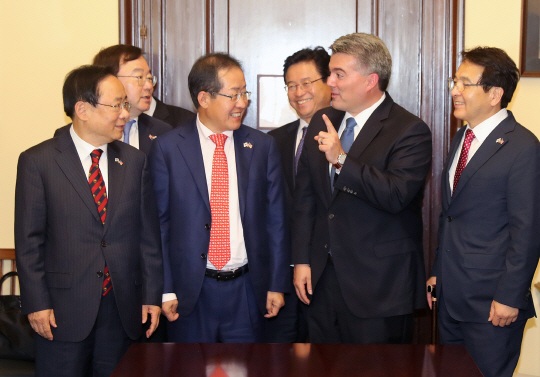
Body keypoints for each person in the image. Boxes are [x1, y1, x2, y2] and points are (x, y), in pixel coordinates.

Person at [14, 65, 163, 376]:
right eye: (116, 105)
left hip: (122, 308)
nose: (125, 113)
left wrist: (151, 294)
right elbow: (29, 243)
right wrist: (36, 303)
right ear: (82, 109)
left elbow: (148, 236)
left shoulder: (134, 161)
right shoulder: (38, 162)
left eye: (126, 104)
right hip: (61, 311)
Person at [292, 33, 432, 344]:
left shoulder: (409, 130)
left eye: (339, 74)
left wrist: (341, 159)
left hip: (379, 288)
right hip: (321, 282)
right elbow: (306, 200)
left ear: (370, 80)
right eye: (330, 73)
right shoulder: (322, 120)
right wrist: (301, 260)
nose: (330, 82)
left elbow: (396, 195)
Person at [149, 52, 290, 342]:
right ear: (204, 98)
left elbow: (276, 221)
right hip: (191, 293)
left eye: (244, 92)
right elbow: (159, 226)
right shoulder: (168, 149)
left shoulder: (262, 147)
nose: (243, 103)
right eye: (234, 94)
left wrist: (276, 284)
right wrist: (166, 288)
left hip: (248, 290)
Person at [427, 47, 540, 377]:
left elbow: (528, 231)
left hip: (492, 304)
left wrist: (509, 296)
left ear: (495, 94)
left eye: (465, 83)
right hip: (451, 295)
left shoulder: (523, 148)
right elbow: (450, 214)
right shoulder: (462, 137)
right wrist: (438, 270)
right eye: (455, 80)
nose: (454, 90)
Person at [267, 46, 331, 342]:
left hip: (329, 275)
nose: (298, 92)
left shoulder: (350, 137)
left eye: (307, 83)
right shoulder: (272, 141)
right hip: (279, 276)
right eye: (291, 85)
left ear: (329, 81)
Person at [55, 45, 175, 154]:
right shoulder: (67, 137)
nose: (149, 86)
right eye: (139, 77)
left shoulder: (163, 132)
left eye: (149, 78)